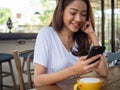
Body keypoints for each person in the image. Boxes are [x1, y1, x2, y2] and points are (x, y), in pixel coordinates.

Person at [33, 0, 108, 87]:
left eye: (83, 14)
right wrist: (74, 70)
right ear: (61, 12)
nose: (78, 19)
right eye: (73, 13)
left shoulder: (82, 39)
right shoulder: (46, 34)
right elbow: (38, 80)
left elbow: (103, 72)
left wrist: (92, 35)